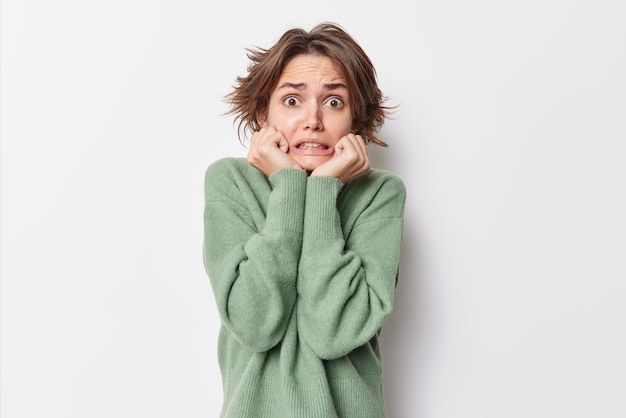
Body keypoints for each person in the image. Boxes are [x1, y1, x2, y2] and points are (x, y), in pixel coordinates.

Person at [202, 22, 406, 418]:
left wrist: (324, 189)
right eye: (292, 100)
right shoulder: (230, 181)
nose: (313, 120)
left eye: (334, 103)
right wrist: (289, 185)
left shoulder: (380, 195)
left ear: (355, 119)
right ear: (264, 112)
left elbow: (334, 333)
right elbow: (254, 323)